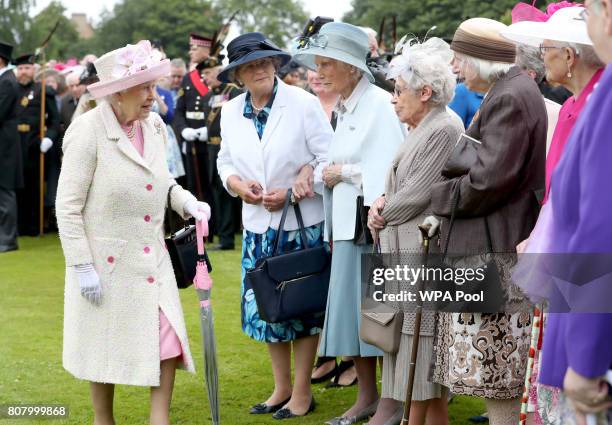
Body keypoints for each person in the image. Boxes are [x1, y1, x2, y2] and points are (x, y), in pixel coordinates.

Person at [55, 40, 211, 425]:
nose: (152, 95)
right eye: (144, 87)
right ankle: (102, 420)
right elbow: (67, 206)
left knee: (169, 340)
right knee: (102, 348)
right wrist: (81, 265)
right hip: (104, 263)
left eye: (153, 85)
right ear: (117, 92)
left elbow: (163, 183)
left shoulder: (154, 125)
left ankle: (160, 421)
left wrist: (188, 203)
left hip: (152, 259)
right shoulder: (87, 131)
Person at [423, 17, 547, 425]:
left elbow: (488, 180)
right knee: (495, 369)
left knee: (499, 370)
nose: (455, 68)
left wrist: (438, 196)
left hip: (498, 249)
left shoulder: (511, 95)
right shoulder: (508, 89)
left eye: (459, 58)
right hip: (494, 243)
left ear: (482, 58)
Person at [294, 22, 405, 425]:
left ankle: (391, 403)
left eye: (328, 64)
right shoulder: (346, 107)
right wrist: (332, 171)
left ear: (353, 68)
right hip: (345, 225)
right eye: (318, 63)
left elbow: (391, 169)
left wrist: (341, 172)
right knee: (349, 317)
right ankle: (367, 397)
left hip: (371, 228)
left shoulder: (378, 104)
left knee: (379, 316)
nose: (318, 72)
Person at [216, 32, 332, 419]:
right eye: (250, 65)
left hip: (301, 226)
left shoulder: (303, 103)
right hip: (257, 227)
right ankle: (280, 387)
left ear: (276, 64)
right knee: (269, 308)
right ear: (238, 76)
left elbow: (329, 159)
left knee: (301, 308)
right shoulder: (231, 111)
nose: (260, 69)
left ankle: (301, 391)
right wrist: (238, 186)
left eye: (265, 62)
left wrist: (296, 188)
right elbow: (225, 162)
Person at [366, 37, 463, 425]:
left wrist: (381, 210)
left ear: (425, 92)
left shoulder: (443, 127)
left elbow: (419, 195)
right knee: (420, 373)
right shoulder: (424, 126)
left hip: (422, 258)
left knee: (421, 366)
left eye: (399, 89)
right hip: (408, 254)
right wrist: (380, 202)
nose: (393, 98)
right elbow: (401, 189)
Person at [13, 53, 60, 237]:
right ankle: (17, 226)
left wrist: (49, 138)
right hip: (14, 145)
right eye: (21, 68)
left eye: (27, 68)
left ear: (34, 70)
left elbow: (55, 121)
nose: (24, 72)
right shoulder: (11, 90)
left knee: (34, 187)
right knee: (16, 187)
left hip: (35, 145)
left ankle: (35, 225)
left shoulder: (43, 91)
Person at [199, 53, 242, 250]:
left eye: (208, 73)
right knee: (216, 191)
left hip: (226, 148)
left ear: (219, 71)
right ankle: (221, 233)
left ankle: (227, 239)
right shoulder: (208, 96)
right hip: (210, 148)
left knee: (227, 194)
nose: (205, 77)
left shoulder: (232, 91)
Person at [173, 33, 213, 205]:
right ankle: (203, 228)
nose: (190, 52)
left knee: (214, 186)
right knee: (195, 187)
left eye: (194, 48)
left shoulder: (218, 76)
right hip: (192, 141)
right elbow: (179, 110)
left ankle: (220, 227)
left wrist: (209, 129)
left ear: (206, 50)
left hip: (211, 140)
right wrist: (184, 130)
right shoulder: (188, 78)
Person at [0, 41, 21, 252]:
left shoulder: (6, 82)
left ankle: (7, 240)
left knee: (5, 194)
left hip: (4, 148)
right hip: (4, 146)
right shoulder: (5, 80)